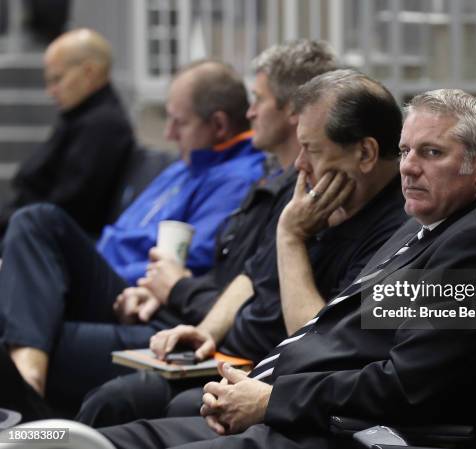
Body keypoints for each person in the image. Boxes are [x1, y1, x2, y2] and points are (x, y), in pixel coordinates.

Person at [99, 86, 476, 449]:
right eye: (404, 151)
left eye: (431, 152)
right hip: (300, 415)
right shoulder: (431, 228)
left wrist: (271, 400)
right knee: (98, 436)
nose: (408, 167)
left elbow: (407, 386)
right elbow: (351, 336)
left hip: (336, 434)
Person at [77, 67, 407, 427]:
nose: (299, 164)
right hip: (230, 355)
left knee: (166, 406)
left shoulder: (394, 230)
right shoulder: (318, 196)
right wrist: (206, 331)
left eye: (311, 149)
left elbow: (318, 344)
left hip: (289, 385)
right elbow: (252, 274)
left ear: (366, 154)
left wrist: (291, 239)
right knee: (110, 401)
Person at [0, 59, 264, 407]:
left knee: (37, 221)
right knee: (32, 236)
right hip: (109, 279)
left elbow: (192, 261)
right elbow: (120, 234)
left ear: (217, 124)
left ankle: (29, 391)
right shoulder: (185, 164)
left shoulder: (238, 178)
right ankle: (29, 399)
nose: (168, 133)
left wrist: (141, 287)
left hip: (142, 300)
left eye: (178, 122)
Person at [0, 28, 135, 237]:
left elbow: (66, 209)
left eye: (57, 79)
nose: (50, 90)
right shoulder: (80, 117)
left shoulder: (103, 126)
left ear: (89, 72)